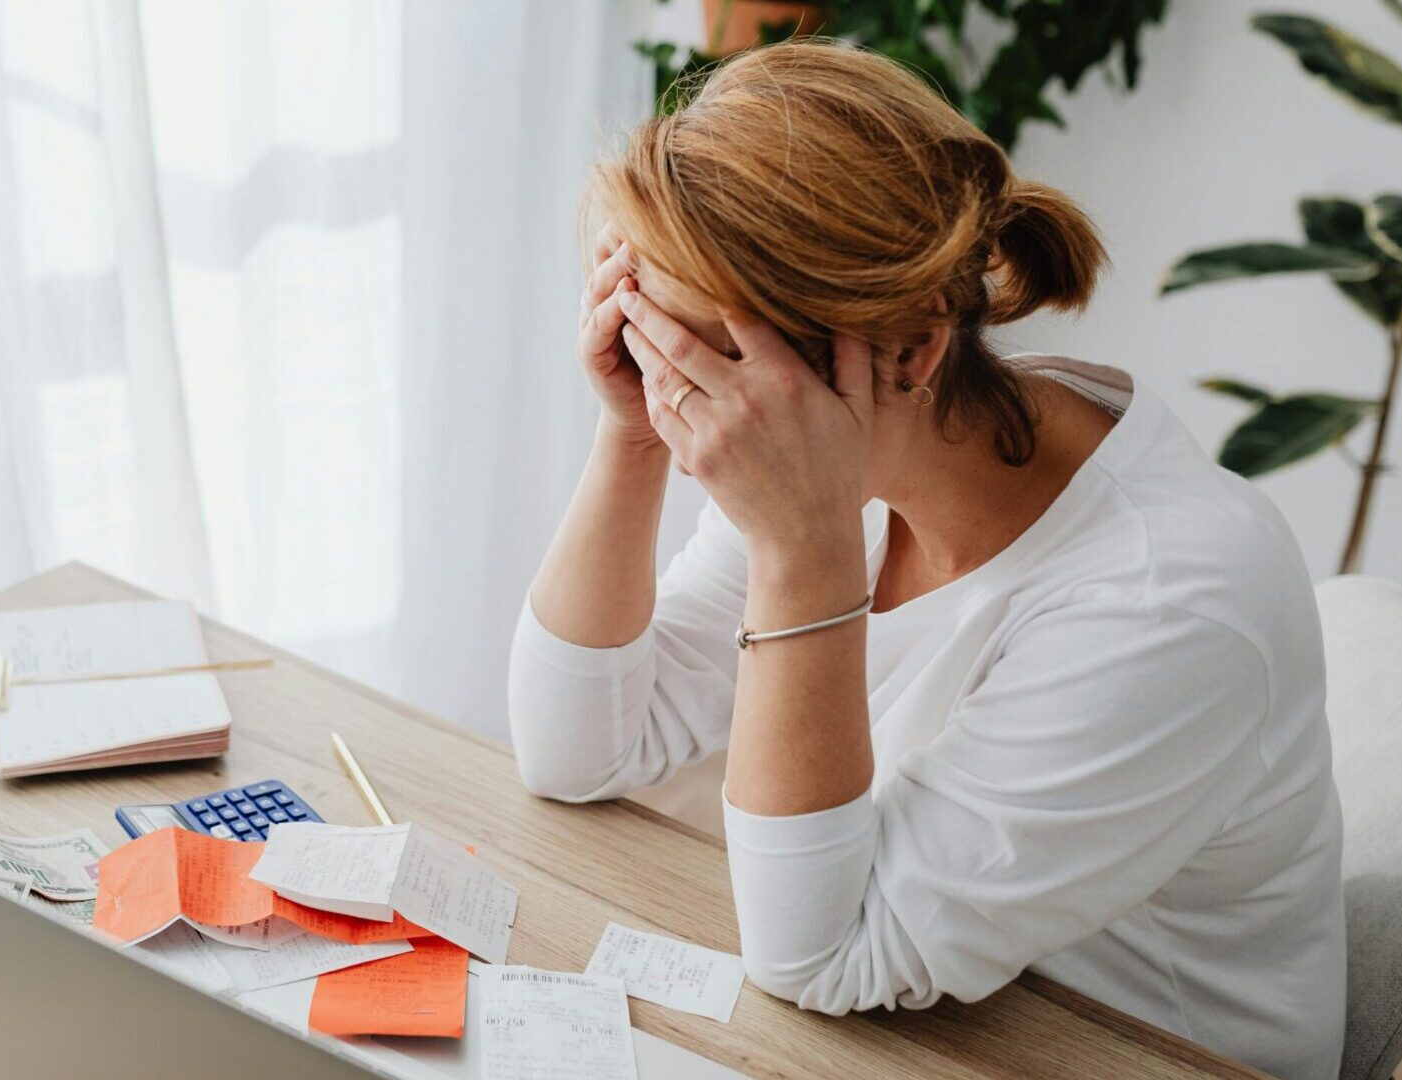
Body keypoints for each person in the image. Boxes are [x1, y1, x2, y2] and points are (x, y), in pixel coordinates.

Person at [508, 39, 1345, 1080]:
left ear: (910, 351)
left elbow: (818, 955)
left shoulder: (1167, 601)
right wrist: (629, 435)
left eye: (700, 361)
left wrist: (802, 551)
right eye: (645, 341)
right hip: (925, 1021)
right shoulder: (853, 442)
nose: (688, 407)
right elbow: (577, 751)